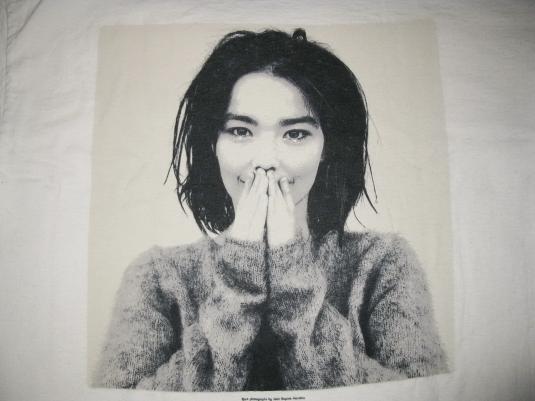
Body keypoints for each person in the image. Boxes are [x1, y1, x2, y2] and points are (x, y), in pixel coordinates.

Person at [93, 28, 447, 391]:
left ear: (327, 147)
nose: (265, 160)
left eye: (295, 134)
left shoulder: (383, 264)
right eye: (240, 131)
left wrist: (293, 277)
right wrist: (236, 286)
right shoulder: (158, 276)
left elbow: (425, 394)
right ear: (212, 143)